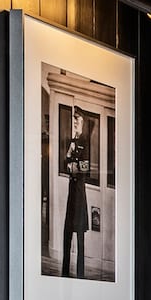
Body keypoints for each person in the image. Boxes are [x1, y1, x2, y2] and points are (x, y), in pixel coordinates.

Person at [61, 113, 92, 278]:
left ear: (83, 123)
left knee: (80, 236)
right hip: (71, 194)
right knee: (67, 233)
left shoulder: (85, 143)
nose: (75, 123)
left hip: (79, 195)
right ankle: (65, 272)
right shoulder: (72, 142)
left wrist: (72, 165)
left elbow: (84, 169)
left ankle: (80, 274)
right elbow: (65, 163)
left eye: (78, 121)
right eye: (74, 121)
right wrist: (71, 161)